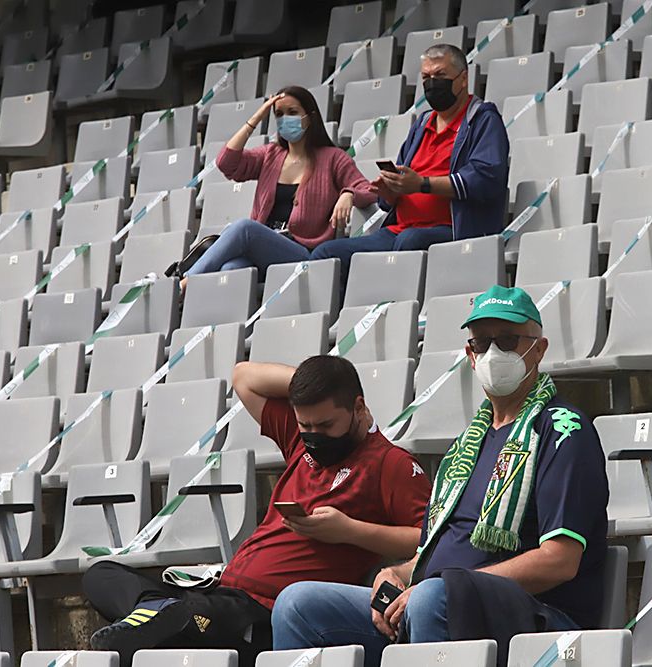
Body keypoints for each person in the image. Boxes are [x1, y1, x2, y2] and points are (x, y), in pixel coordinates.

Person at [270, 286, 609, 667]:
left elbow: (560, 560)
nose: (493, 353)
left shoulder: (563, 429)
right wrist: (396, 573)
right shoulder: (465, 447)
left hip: (533, 617)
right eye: (482, 343)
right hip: (437, 603)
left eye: (509, 340)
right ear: (469, 354)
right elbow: (430, 553)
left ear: (539, 348)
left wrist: (450, 586)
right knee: (297, 605)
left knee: (434, 598)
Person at [82, 355, 432, 666]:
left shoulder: (391, 464)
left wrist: (348, 531)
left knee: (177, 626)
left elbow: (428, 539)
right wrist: (313, 381)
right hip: (222, 592)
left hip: (262, 611)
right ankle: (160, 611)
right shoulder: (299, 441)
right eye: (305, 424)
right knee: (101, 575)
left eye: (325, 426)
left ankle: (165, 615)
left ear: (358, 408)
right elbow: (243, 377)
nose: (313, 435)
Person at [311, 44, 510, 290]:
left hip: (457, 231)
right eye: (426, 77)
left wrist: (422, 185)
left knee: (410, 241)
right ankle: (344, 320)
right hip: (398, 231)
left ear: (463, 79)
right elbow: (398, 188)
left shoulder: (482, 119)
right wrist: (390, 191)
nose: (432, 83)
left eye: (440, 76)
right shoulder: (422, 123)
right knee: (326, 254)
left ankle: (396, 315)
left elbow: (485, 178)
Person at [182, 85, 376, 282]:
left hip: (303, 252)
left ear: (310, 117)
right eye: (279, 114)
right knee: (231, 268)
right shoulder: (270, 155)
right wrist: (257, 117)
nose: (285, 119)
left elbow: (368, 189)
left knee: (244, 228)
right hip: (265, 248)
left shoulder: (332, 158)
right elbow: (226, 163)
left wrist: (348, 194)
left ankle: (186, 282)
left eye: (292, 112)